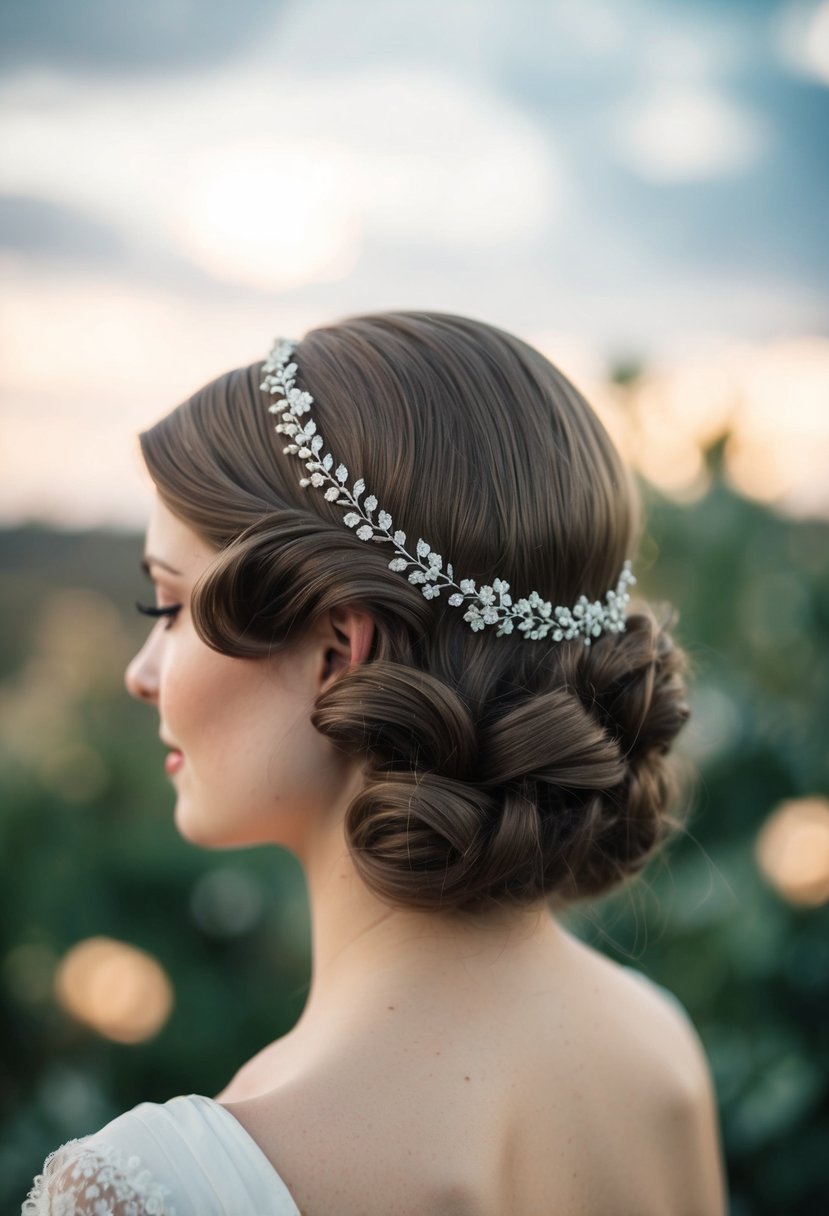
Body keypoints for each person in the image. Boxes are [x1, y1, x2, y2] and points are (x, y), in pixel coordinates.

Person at [23, 312, 726, 1214]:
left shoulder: (149, 1193)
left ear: (336, 648)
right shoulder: (658, 1053)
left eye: (166, 605)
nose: (140, 674)